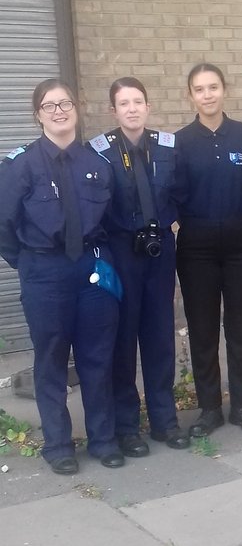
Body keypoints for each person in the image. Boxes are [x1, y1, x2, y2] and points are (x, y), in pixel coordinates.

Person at [0, 79, 123, 475]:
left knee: (97, 358)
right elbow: (4, 223)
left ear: (78, 108)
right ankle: (58, 445)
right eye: (49, 105)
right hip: (44, 272)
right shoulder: (20, 165)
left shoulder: (97, 164)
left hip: (91, 270)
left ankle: (104, 439)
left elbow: (112, 221)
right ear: (37, 114)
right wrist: (29, 264)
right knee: (51, 359)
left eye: (65, 103)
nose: (59, 111)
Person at [89, 77, 189, 456]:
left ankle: (165, 421)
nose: (132, 109)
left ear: (147, 106)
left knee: (160, 336)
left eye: (138, 102)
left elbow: (181, 192)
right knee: (123, 339)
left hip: (160, 249)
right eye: (123, 103)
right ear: (113, 111)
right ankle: (127, 426)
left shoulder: (167, 147)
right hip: (121, 251)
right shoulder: (99, 152)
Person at [174, 63, 242, 438]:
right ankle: (209, 408)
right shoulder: (179, 141)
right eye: (199, 89)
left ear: (224, 90)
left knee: (241, 328)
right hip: (196, 248)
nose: (207, 95)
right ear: (191, 96)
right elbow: (171, 195)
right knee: (202, 330)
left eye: (213, 87)